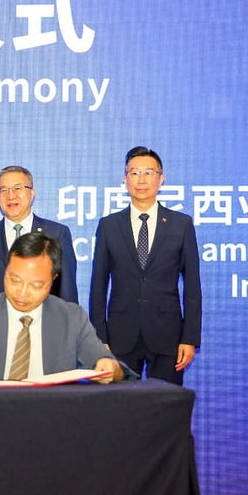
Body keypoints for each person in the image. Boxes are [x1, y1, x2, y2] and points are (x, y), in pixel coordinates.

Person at [0, 232, 129, 382]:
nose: (22, 293)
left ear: (53, 280)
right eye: (15, 280)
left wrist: (109, 367)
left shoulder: (72, 318)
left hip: (53, 418)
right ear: (6, 270)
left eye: (36, 285)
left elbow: (112, 366)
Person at [89, 146, 202, 385]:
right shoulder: (109, 226)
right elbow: (98, 285)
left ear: (161, 179)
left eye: (148, 173)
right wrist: (99, 337)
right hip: (120, 335)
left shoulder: (181, 224)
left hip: (168, 334)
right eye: (134, 173)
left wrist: (189, 337)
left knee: (166, 403)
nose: (141, 180)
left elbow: (192, 286)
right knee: (119, 404)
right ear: (125, 179)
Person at [0, 165, 78, 304]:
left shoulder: (57, 234)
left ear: (32, 193)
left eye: (18, 188)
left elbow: (67, 292)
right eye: (3, 190)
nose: (10, 195)